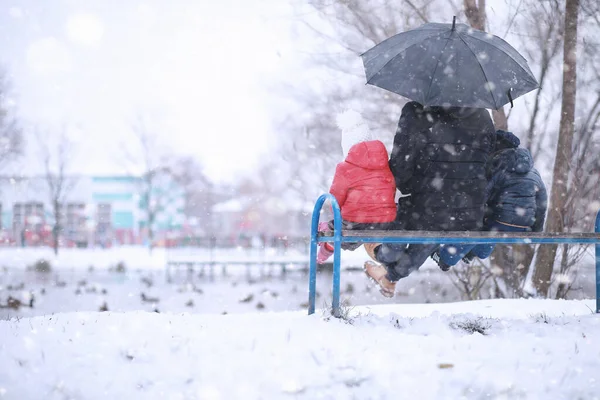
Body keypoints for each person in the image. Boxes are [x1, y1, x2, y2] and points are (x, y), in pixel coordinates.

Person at [363, 101, 496, 297]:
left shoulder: (416, 111)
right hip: (469, 214)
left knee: (414, 220)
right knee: (432, 225)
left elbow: (401, 173)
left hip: (428, 211)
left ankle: (380, 253)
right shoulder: (483, 116)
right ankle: (389, 276)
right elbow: (487, 168)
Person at [431, 130, 548, 269]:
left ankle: (446, 259)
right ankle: (474, 253)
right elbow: (542, 201)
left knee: (480, 225)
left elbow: (483, 195)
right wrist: (537, 230)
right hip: (525, 225)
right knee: (491, 227)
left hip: (499, 222)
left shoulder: (497, 165)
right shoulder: (534, 171)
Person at [317, 109, 397, 263]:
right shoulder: (384, 164)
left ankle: (324, 251)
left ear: (346, 145)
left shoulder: (345, 168)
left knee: (336, 230)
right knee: (361, 230)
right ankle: (384, 265)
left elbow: (336, 199)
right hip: (384, 222)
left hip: (355, 224)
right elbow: (391, 190)